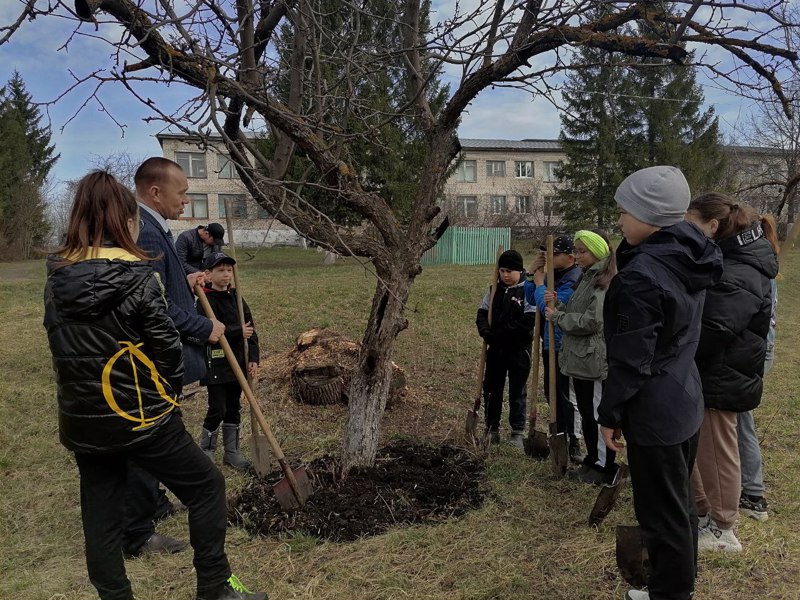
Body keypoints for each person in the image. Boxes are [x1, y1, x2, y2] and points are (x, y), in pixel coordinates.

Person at [43, 171, 267, 600]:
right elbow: (165, 347)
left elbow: (61, 345)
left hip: (85, 422)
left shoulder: (57, 279)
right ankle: (216, 589)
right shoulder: (136, 276)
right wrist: (165, 396)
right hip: (141, 416)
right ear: (123, 221)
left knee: (101, 516)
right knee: (206, 486)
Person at [597, 166, 723, 600]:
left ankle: (671, 594)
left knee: (661, 514)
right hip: (683, 399)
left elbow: (631, 360)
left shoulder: (642, 276)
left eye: (623, 211)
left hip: (656, 412)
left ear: (650, 215)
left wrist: (609, 414)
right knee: (679, 506)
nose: (618, 220)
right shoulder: (689, 253)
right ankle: (674, 586)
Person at [118, 157, 226, 560]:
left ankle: (155, 504)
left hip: (160, 359)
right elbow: (154, 308)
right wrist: (204, 328)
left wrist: (187, 278)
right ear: (155, 192)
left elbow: (161, 286)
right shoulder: (143, 232)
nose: (186, 200)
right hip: (153, 361)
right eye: (182, 193)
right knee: (149, 441)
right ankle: (138, 533)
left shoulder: (154, 229)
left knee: (159, 436)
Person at [686, 194, 778, 553]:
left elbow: (717, 324)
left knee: (717, 450)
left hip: (724, 373)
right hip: (716, 369)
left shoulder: (740, 268)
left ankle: (724, 529)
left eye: (690, 222)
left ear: (713, 226)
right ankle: (707, 516)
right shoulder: (731, 259)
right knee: (705, 449)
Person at [544, 230, 617, 485]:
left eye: (582, 251)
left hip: (593, 360)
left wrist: (559, 318)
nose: (577, 256)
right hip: (581, 358)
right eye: (576, 250)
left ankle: (605, 465)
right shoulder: (587, 277)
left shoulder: (603, 279)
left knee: (597, 414)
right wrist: (559, 306)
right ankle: (592, 459)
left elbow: (593, 321)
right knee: (587, 412)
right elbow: (578, 310)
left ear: (597, 252)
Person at [199, 252, 260, 470]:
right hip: (216, 365)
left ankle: (232, 452)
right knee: (218, 408)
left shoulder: (237, 297)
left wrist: (253, 358)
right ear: (208, 274)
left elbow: (251, 330)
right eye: (220, 270)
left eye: (229, 270)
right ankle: (206, 450)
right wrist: (237, 331)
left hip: (239, 362)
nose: (226, 275)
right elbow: (207, 333)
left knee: (234, 407)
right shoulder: (204, 301)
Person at [737, 215, 779, 523]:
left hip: (751, 349)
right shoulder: (764, 256)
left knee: (741, 420)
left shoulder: (755, 264)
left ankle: (753, 493)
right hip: (759, 346)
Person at [526, 234, 583, 461]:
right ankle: (559, 433)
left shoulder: (575, 278)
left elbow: (549, 307)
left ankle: (574, 440)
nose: (547, 257)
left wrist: (540, 285)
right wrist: (532, 275)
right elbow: (531, 299)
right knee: (552, 392)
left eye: (553, 253)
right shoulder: (552, 274)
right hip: (550, 342)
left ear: (570, 257)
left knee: (567, 395)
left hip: (566, 343)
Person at [476, 249, 536, 447]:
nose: (505, 275)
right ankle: (491, 427)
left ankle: (517, 430)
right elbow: (482, 313)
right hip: (496, 349)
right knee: (492, 388)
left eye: (509, 271)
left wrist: (501, 334)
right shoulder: (494, 291)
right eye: (501, 270)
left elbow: (528, 320)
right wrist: (486, 332)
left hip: (519, 349)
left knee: (517, 391)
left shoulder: (528, 290)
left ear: (520, 271)